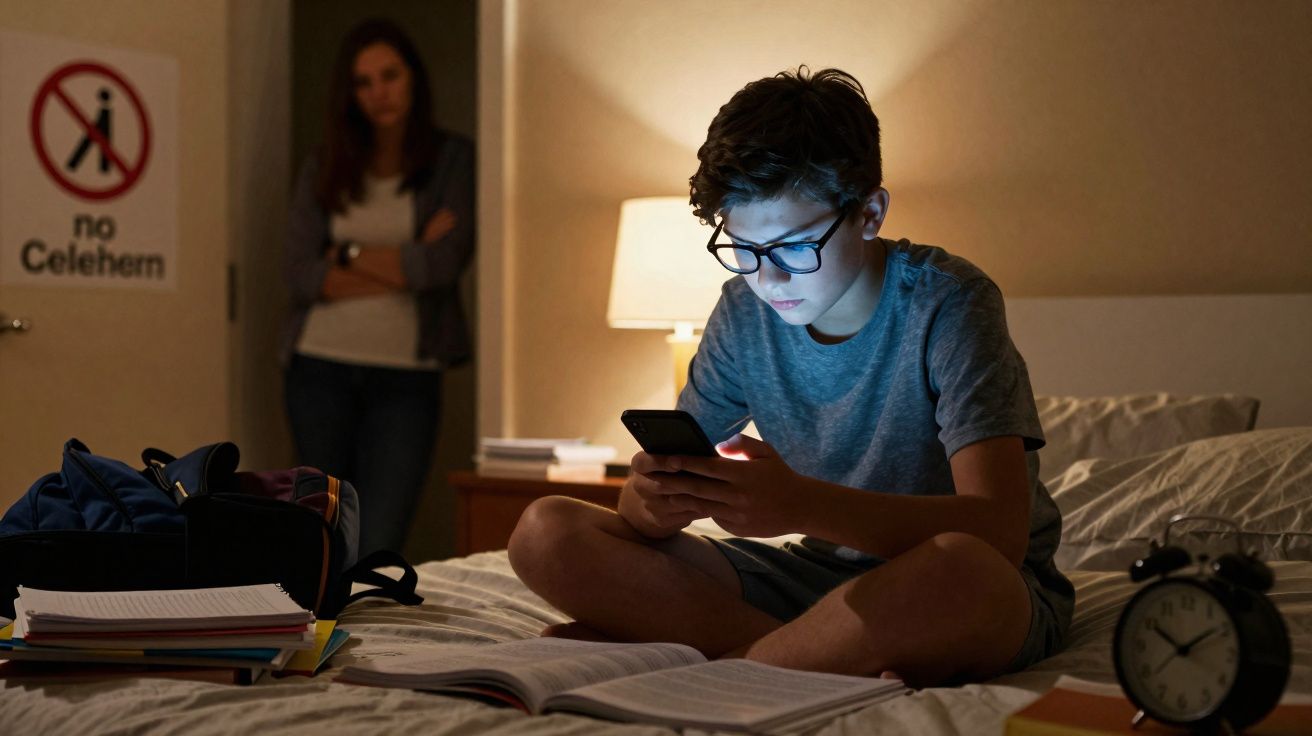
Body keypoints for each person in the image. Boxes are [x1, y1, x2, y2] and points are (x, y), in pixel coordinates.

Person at [507, 67, 1073, 687]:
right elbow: (635, 512)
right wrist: (656, 501)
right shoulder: (743, 312)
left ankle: (731, 668)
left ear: (870, 212)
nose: (768, 278)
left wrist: (800, 504)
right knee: (547, 532)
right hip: (806, 583)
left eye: (796, 247)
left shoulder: (948, 302)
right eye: (744, 249)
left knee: (964, 573)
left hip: (953, 581)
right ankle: (796, 657)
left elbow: (1000, 534)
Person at [282, 18, 474, 558]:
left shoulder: (452, 159)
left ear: (413, 79)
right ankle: (324, 638)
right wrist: (404, 255)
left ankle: (372, 643)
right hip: (317, 368)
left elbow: (441, 265)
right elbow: (300, 272)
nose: (379, 93)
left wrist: (344, 255)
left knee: (380, 540)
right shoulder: (327, 163)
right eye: (363, 82)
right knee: (322, 537)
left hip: (406, 380)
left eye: (389, 76)